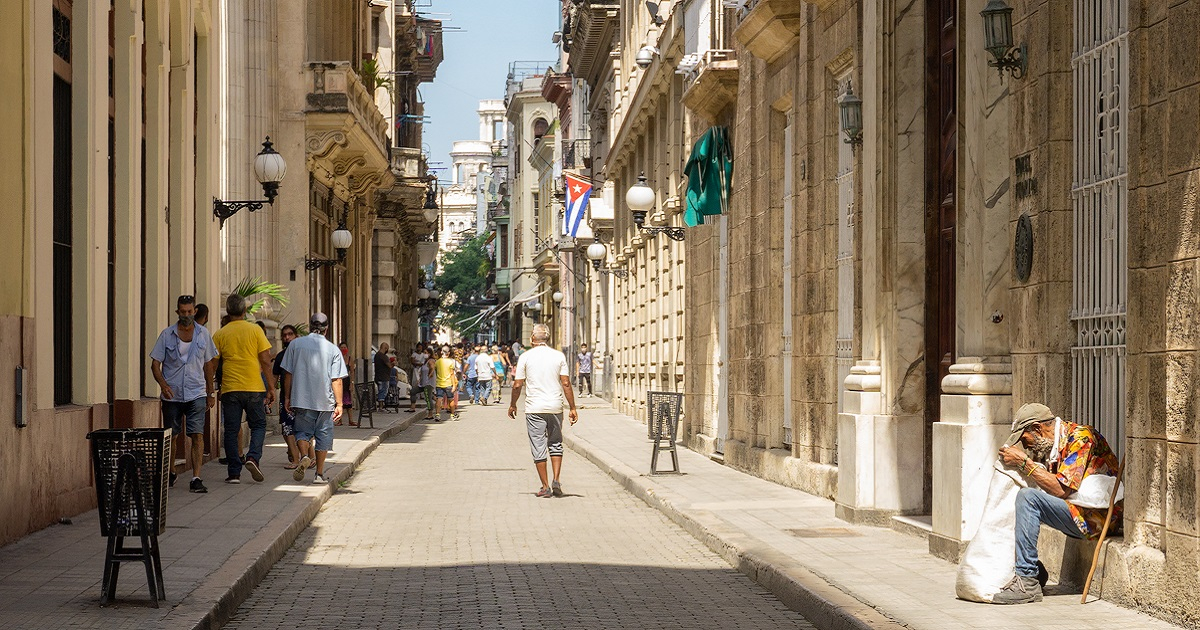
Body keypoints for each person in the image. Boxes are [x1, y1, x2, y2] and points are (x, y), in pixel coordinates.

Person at [992, 403, 1121, 605]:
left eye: (1024, 439)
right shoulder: (1055, 446)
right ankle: (1033, 571)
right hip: (1078, 512)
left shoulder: (1081, 437)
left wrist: (1024, 463)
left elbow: (1061, 490)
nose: (1025, 446)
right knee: (1021, 497)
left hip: (1099, 518)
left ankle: (1027, 581)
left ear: (1037, 428)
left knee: (1028, 498)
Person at [150, 295, 218, 494]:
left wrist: (210, 392)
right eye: (183, 312)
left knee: (197, 435)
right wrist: (163, 385)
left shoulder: (203, 334)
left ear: (194, 311)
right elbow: (155, 364)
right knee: (171, 435)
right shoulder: (166, 335)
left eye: (190, 312)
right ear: (177, 312)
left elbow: (208, 364)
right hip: (172, 394)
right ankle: (170, 472)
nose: (187, 315)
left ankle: (196, 477)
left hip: (196, 392)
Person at [508, 324, 578, 498]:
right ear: (548, 339)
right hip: (555, 407)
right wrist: (573, 407)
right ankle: (556, 480)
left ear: (532, 338)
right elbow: (566, 383)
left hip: (534, 409)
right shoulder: (558, 356)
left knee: (538, 446)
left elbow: (517, 384)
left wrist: (513, 404)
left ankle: (545, 486)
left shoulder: (525, 357)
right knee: (555, 444)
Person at [212, 294, 276, 484]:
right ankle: (253, 457)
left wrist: (210, 387)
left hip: (230, 388)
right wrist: (271, 387)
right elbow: (265, 360)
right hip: (253, 387)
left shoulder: (220, 333)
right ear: (245, 311)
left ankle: (234, 473)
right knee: (258, 425)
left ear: (228, 310)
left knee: (231, 430)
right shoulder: (255, 330)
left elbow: (212, 364)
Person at [281, 312, 348, 485]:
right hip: (324, 401)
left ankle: (304, 456)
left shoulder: (295, 345)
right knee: (323, 437)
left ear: (310, 326)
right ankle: (318, 474)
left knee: (302, 432)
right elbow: (337, 379)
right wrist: (339, 404)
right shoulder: (333, 349)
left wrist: (287, 397)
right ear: (326, 329)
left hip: (301, 399)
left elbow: (287, 373)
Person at [272, 325, 301, 468]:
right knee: (287, 428)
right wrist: (270, 392)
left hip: (302, 397)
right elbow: (275, 376)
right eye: (284, 335)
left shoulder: (302, 354)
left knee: (303, 428)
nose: (287, 337)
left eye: (290, 334)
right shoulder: (280, 356)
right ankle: (295, 456)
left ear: (296, 335)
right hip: (285, 397)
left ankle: (305, 456)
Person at [433, 346, 459, 421]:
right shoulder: (450, 362)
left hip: (439, 383)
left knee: (439, 399)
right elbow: (452, 374)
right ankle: (452, 414)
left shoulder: (437, 362)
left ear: (441, 352)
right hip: (448, 384)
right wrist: (454, 385)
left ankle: (437, 414)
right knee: (451, 399)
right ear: (448, 353)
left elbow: (436, 371)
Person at [337, 341, 354, 425]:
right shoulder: (337, 358)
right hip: (339, 382)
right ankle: (340, 421)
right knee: (339, 402)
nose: (343, 349)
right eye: (342, 347)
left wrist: (352, 383)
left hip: (347, 382)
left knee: (348, 402)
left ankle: (350, 420)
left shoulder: (350, 359)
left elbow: (352, 372)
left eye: (345, 347)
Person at [408, 343, 429, 411]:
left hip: (421, 369)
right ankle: (416, 395)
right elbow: (412, 361)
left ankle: (422, 395)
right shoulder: (414, 354)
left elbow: (426, 359)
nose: (420, 348)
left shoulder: (423, 354)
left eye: (421, 347)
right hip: (416, 369)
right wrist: (418, 363)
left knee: (422, 381)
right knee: (415, 381)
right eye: (418, 347)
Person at [374, 342, 392, 409]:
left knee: (381, 390)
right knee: (383, 391)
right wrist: (393, 363)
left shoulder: (377, 355)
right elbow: (389, 365)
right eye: (387, 349)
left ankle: (381, 406)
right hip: (383, 377)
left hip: (378, 377)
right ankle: (381, 407)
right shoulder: (383, 356)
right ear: (385, 348)